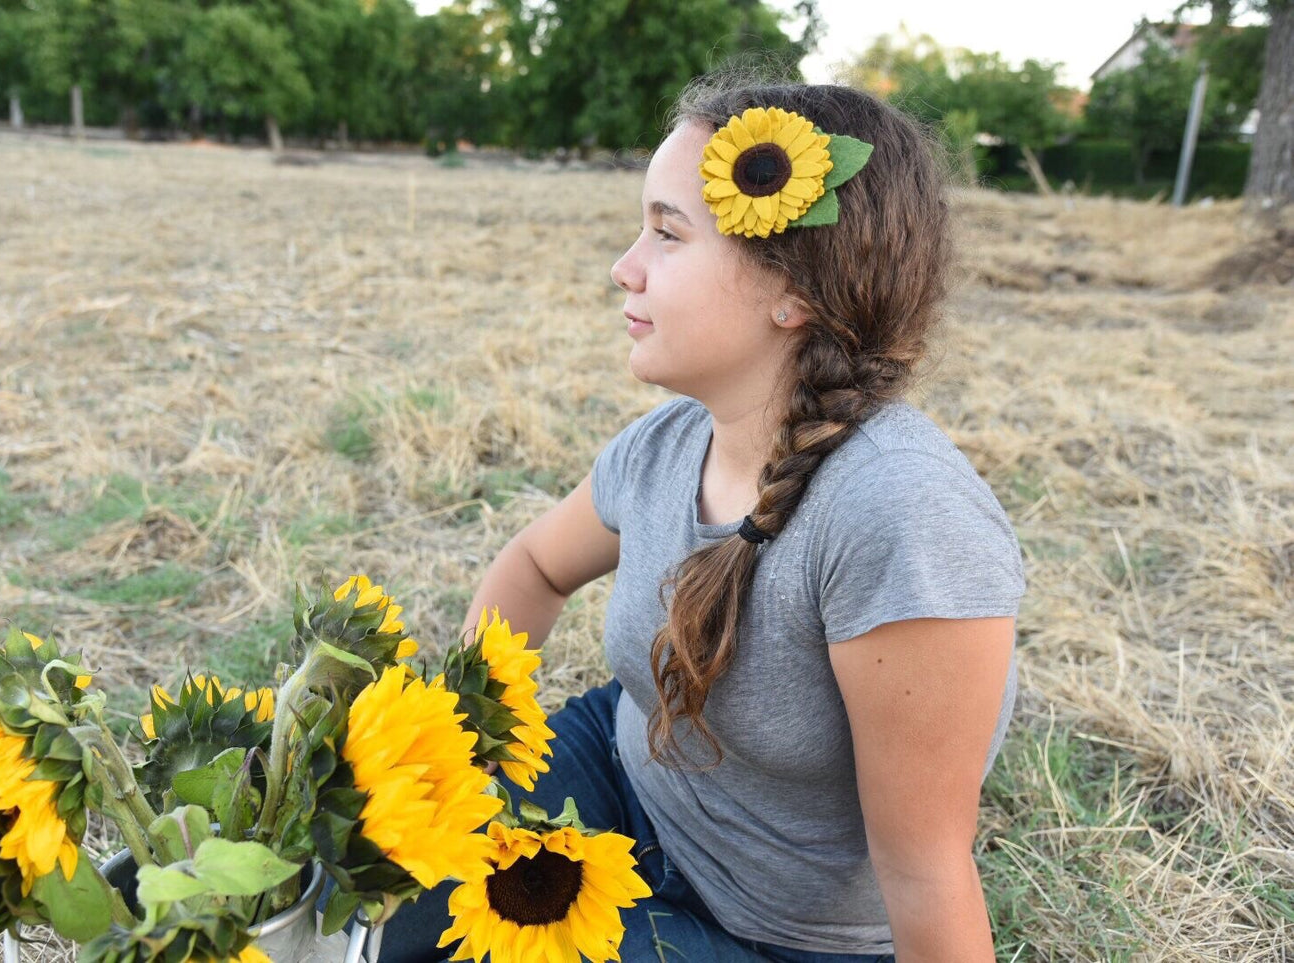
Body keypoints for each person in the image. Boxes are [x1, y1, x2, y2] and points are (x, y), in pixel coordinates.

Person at [338, 74, 1026, 963]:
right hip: (618, 779)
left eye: (666, 232)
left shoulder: (901, 514)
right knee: (364, 878)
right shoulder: (665, 444)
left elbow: (927, 872)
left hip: (778, 934)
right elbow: (534, 571)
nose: (623, 266)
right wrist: (472, 749)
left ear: (794, 289)